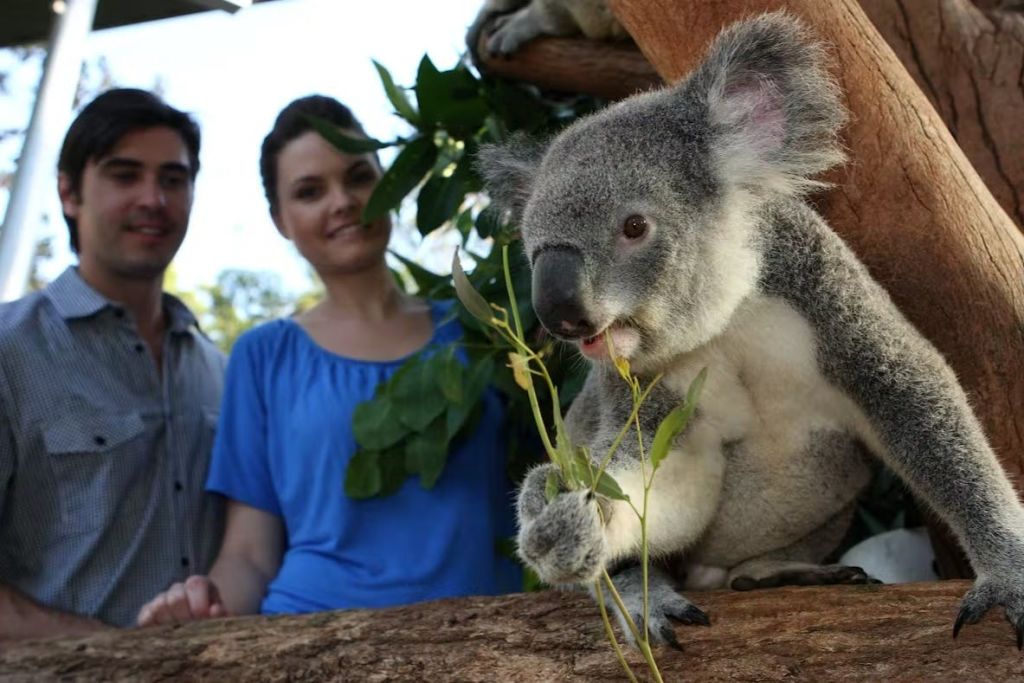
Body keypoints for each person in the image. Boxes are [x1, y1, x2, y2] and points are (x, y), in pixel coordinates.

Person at [136, 95, 520, 625]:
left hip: (495, 643)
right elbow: (250, 553)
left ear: (389, 182)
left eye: (359, 176)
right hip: (313, 643)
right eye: (310, 191)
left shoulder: (486, 325)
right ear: (281, 220)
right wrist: (202, 608)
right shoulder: (263, 354)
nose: (341, 201)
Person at [0, 89, 225, 641]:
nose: (154, 199)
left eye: (173, 179)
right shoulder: (8, 352)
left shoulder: (221, 372)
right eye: (125, 176)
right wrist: (114, 653)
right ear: (69, 193)